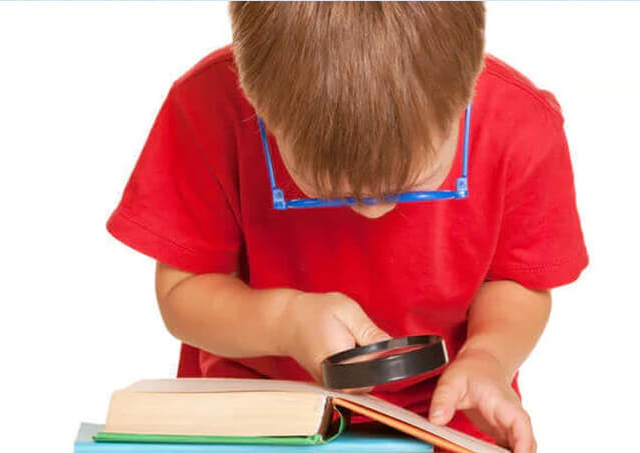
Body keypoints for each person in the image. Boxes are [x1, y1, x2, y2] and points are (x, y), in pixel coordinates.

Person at [106, 3, 588, 452]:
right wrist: (284, 322)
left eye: (408, 184)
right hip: (261, 409)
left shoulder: (520, 126)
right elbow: (182, 293)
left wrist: (488, 358)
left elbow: (516, 282)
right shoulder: (206, 107)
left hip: (447, 407)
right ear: (258, 105)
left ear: (465, 93)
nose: (373, 209)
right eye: (332, 189)